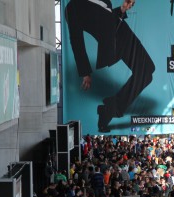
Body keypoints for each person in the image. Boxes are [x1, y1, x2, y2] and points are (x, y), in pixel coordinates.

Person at [65, 0, 155, 132]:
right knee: (146, 71)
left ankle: (108, 109)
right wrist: (85, 72)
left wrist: (122, 9)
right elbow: (76, 39)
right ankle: (110, 109)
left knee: (148, 70)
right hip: (113, 44)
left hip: (123, 31)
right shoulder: (72, 7)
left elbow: (107, 17)